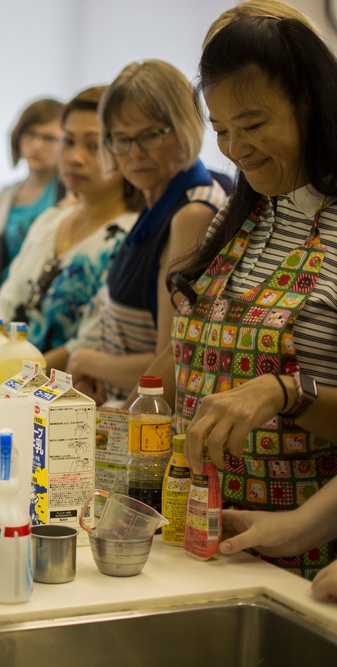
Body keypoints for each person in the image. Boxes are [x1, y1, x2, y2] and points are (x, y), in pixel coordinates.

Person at [171, 16, 337, 579]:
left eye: (253, 124)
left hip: (306, 563)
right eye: (221, 129)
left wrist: (286, 392)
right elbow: (187, 355)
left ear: (309, 105)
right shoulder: (237, 216)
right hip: (207, 540)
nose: (235, 148)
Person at [64, 60, 227, 404]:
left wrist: (87, 362)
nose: (134, 153)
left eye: (150, 135)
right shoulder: (156, 200)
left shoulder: (192, 213)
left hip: (148, 423)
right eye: (122, 139)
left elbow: (173, 359)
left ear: (184, 127)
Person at [0, 86, 141, 367]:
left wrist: (14, 375)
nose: (74, 158)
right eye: (68, 142)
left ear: (124, 150)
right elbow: (6, 303)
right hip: (7, 381)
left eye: (93, 146)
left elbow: (90, 341)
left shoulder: (130, 236)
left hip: (65, 388)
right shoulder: (50, 220)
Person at [0, 97, 65, 348]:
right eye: (30, 135)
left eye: (48, 138)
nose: (36, 145)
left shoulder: (71, 197)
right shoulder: (2, 200)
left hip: (48, 316)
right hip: (6, 310)